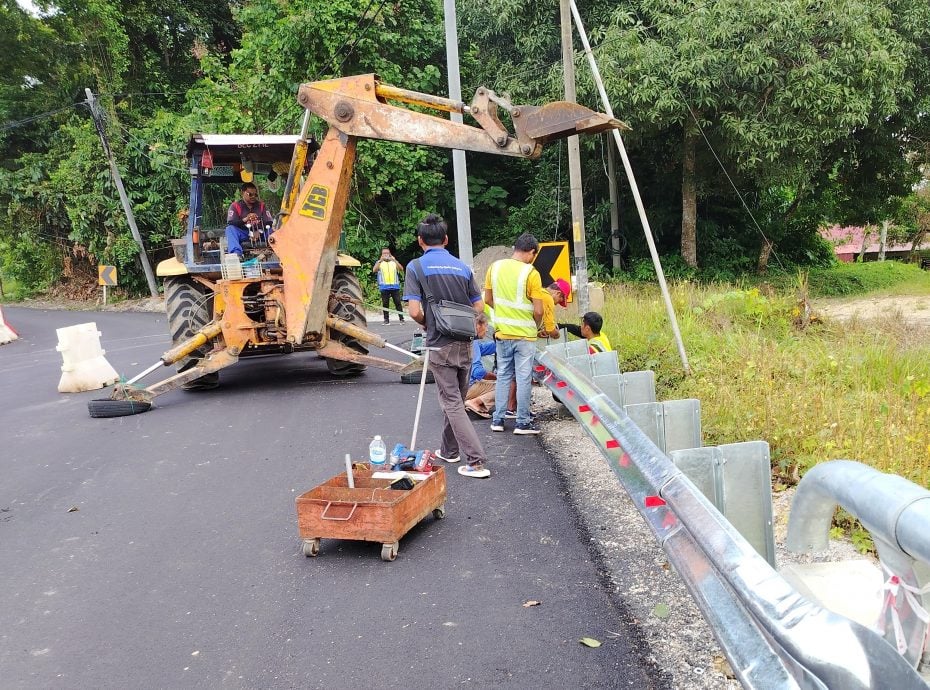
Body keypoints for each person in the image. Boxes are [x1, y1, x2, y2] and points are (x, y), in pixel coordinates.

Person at [404, 214, 490, 479]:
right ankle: (449, 450)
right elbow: (479, 307)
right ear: (446, 240)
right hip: (465, 343)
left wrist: (428, 322)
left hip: (440, 344)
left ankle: (476, 461)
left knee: (452, 402)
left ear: (420, 241)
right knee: (456, 397)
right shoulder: (462, 268)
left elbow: (414, 311)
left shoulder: (416, 268)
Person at [484, 233, 543, 435]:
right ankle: (522, 422)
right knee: (524, 377)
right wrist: (535, 324)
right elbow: (539, 310)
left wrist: (504, 314)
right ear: (532, 252)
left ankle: (498, 420)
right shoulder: (531, 273)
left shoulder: (495, 267)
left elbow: (489, 299)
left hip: (502, 333)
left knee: (503, 376)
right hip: (525, 336)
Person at [225, 183, 273, 257]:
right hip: (245, 233)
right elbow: (231, 222)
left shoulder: (261, 205)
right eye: (250, 194)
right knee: (230, 229)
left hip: (260, 233)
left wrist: (259, 232)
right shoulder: (235, 206)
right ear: (242, 193)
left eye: (255, 195)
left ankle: (276, 250)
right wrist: (245, 219)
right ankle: (236, 254)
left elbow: (269, 222)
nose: (253, 197)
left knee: (273, 229)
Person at [464, 313, 497, 418]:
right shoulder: (471, 343)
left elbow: (482, 348)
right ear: (478, 325)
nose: (487, 330)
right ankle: (476, 402)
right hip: (465, 388)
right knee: (506, 386)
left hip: (453, 390)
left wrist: (502, 342)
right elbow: (478, 372)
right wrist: (497, 377)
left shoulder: (465, 339)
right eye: (486, 325)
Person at [372, 247, 405, 324]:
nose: (386, 255)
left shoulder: (393, 262)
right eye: (384, 253)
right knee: (385, 304)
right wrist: (380, 261)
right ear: (381, 254)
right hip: (384, 287)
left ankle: (401, 319)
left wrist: (394, 260)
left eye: (387, 253)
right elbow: (374, 270)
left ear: (390, 254)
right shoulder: (379, 262)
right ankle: (386, 320)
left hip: (395, 286)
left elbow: (401, 269)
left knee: (398, 303)